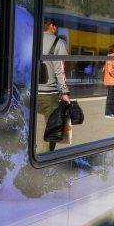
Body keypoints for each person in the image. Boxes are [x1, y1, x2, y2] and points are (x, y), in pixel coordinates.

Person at [38, 18, 70, 150]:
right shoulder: (58, 42)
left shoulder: (32, 40)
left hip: (28, 92)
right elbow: (60, 70)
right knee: (53, 127)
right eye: (56, 26)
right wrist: (64, 92)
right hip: (48, 94)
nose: (56, 29)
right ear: (51, 26)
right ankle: (44, 156)